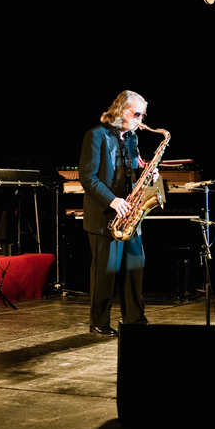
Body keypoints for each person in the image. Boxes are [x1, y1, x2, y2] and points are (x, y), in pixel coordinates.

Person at [78, 90, 152, 335]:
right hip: (105, 216)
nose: (140, 120)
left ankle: (135, 322)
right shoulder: (95, 135)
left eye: (143, 115)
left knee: (134, 270)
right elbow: (87, 178)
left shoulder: (131, 139)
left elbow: (133, 172)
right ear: (122, 111)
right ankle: (99, 323)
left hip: (130, 217)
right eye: (137, 114)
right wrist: (113, 201)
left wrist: (148, 175)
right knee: (105, 275)